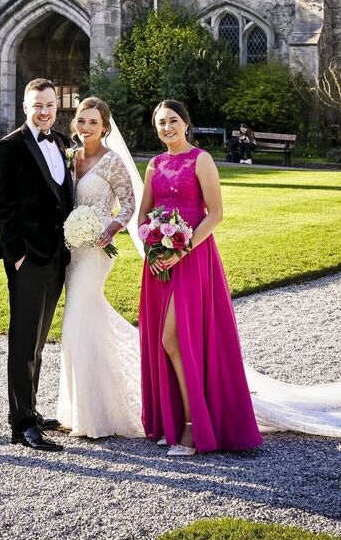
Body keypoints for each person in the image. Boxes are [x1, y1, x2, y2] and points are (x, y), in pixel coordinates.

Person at [138, 99, 263, 455]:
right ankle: (172, 420)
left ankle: (194, 427)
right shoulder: (154, 164)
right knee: (164, 342)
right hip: (160, 263)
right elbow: (144, 214)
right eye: (161, 123)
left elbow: (216, 213)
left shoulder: (201, 159)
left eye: (173, 121)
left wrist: (181, 249)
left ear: (186, 123)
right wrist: (152, 248)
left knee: (174, 340)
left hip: (193, 259)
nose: (167, 128)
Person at [0, 77, 73, 451]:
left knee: (38, 340)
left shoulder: (62, 143)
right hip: (28, 259)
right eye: (37, 105)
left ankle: (31, 410)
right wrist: (17, 254)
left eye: (50, 104)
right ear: (26, 107)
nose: (44, 111)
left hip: (57, 256)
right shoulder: (9, 147)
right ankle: (21, 424)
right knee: (24, 341)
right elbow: (1, 206)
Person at [57, 97, 144, 439]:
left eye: (93, 122)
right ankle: (81, 409)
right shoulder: (69, 157)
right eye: (81, 120)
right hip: (71, 251)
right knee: (84, 325)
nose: (86, 127)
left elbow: (130, 204)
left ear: (105, 127)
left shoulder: (112, 161)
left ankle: (93, 416)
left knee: (75, 322)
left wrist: (112, 229)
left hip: (96, 252)